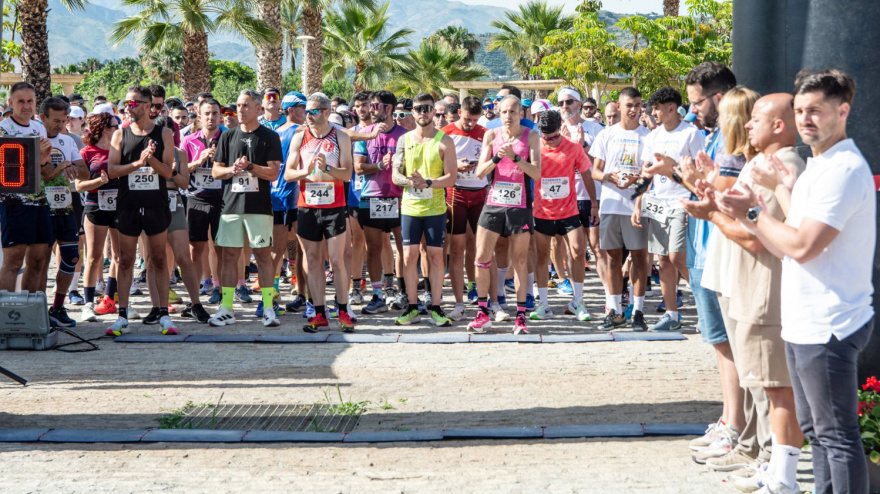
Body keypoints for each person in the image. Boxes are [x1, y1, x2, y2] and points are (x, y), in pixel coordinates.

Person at [717, 69, 875, 494]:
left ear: (842, 112)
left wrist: (752, 210)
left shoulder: (842, 169)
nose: (806, 119)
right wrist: (783, 190)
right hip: (805, 321)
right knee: (818, 433)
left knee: (836, 437)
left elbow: (802, 245)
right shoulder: (820, 165)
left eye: (816, 111)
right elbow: (797, 231)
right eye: (801, 110)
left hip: (830, 322)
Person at [207, 89, 283, 328]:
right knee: (229, 256)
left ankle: (269, 308)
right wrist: (232, 170)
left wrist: (250, 167)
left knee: (262, 256)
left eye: (246, 105)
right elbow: (216, 171)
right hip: (231, 206)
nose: (240, 110)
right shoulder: (227, 136)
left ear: (259, 109)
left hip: (259, 207)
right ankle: (226, 308)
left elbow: (273, 174)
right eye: (238, 105)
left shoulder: (269, 137)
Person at [466, 95, 541, 334]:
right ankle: (482, 312)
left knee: (519, 260)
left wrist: (516, 158)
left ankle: (520, 316)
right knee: (481, 256)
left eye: (513, 112)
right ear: (499, 113)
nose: (508, 116)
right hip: (493, 202)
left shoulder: (531, 136)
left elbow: (537, 173)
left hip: (520, 205)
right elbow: (479, 172)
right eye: (504, 112)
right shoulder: (491, 135)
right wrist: (498, 157)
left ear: (521, 114)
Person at [106, 84, 177, 336]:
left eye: (134, 103)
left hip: (155, 204)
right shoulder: (120, 135)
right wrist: (137, 163)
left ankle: (163, 314)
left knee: (158, 260)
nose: (129, 107)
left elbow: (169, 172)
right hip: (128, 205)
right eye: (127, 103)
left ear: (148, 106)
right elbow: (112, 171)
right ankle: (122, 315)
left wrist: (152, 160)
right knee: (125, 260)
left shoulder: (164, 133)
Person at [634, 87, 704, 332]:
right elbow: (646, 172)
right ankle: (672, 316)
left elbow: (700, 170)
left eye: (657, 108)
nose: (653, 113)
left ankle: (706, 307)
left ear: (671, 108)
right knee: (663, 260)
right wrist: (638, 202)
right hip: (657, 203)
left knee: (677, 257)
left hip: (682, 201)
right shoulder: (652, 137)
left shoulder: (691, 133)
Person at [285, 93, 354, 333]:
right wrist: (306, 171)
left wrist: (327, 168)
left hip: (334, 206)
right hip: (307, 206)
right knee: (313, 260)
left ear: (326, 112)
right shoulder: (299, 137)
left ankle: (343, 311)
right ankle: (319, 313)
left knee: (336, 260)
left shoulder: (341, 137)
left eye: (313, 111)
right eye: (307, 111)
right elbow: (288, 174)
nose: (308, 116)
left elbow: (347, 174)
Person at [391, 93, 456, 326]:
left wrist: (428, 182)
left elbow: (451, 177)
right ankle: (412, 306)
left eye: (428, 108)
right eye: (418, 108)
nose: (423, 112)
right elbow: (395, 174)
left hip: (435, 208)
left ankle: (436, 307)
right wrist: (410, 182)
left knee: (436, 255)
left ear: (433, 111)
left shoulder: (444, 141)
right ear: (413, 112)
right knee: (408, 256)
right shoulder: (404, 140)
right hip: (410, 207)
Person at [589, 87, 651, 331]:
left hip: (637, 205)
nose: (634, 110)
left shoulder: (648, 136)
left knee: (638, 257)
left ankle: (638, 311)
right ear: (618, 106)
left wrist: (637, 179)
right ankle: (614, 310)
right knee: (613, 257)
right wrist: (609, 177)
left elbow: (650, 174)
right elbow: (594, 171)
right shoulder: (606, 134)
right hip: (611, 204)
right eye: (629, 105)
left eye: (638, 105)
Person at [530, 109, 595, 322]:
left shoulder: (574, 148)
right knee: (541, 257)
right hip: (542, 212)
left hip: (569, 211)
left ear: (561, 129)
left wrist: (594, 204)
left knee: (578, 252)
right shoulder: (535, 148)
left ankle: (577, 301)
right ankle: (544, 304)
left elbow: (587, 175)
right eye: (545, 137)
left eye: (554, 136)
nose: (550, 141)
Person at [353, 90, 407, 315]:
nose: (372, 110)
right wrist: (379, 166)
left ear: (389, 109)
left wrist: (398, 166)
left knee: (405, 248)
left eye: (376, 106)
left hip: (401, 197)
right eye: (370, 106)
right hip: (372, 196)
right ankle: (377, 295)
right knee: (373, 249)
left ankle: (404, 292)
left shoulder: (406, 135)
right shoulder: (364, 133)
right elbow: (358, 167)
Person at [39, 97, 90, 327]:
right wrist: (60, 167)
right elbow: (45, 174)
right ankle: (38, 308)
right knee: (39, 261)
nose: (60, 125)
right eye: (56, 120)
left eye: (64, 120)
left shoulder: (68, 141)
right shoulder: (35, 139)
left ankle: (58, 307)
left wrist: (71, 168)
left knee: (71, 256)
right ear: (43, 118)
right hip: (40, 207)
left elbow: (85, 173)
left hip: (66, 206)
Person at [441, 96, 488, 321]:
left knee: (483, 248)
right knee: (457, 250)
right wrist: (454, 166)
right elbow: (436, 163)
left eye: (475, 120)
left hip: (480, 194)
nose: (471, 124)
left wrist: (480, 166)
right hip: (456, 193)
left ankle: (489, 301)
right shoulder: (446, 131)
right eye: (468, 119)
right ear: (460, 112)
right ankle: (459, 304)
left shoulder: (485, 132)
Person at [78, 112, 122, 322]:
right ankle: (87, 304)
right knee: (94, 256)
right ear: (105, 128)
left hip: (120, 207)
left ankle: (110, 298)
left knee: (120, 257)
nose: (118, 128)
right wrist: (99, 182)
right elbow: (79, 186)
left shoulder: (120, 149)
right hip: (95, 207)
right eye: (115, 125)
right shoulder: (87, 152)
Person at [183, 99, 225, 307]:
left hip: (222, 199)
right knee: (195, 249)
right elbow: (181, 170)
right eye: (207, 113)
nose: (211, 117)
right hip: (196, 198)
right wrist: (199, 161)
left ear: (220, 116)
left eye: (215, 113)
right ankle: (195, 297)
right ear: (199, 116)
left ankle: (220, 290)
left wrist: (220, 161)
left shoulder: (228, 138)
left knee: (221, 248)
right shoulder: (189, 140)